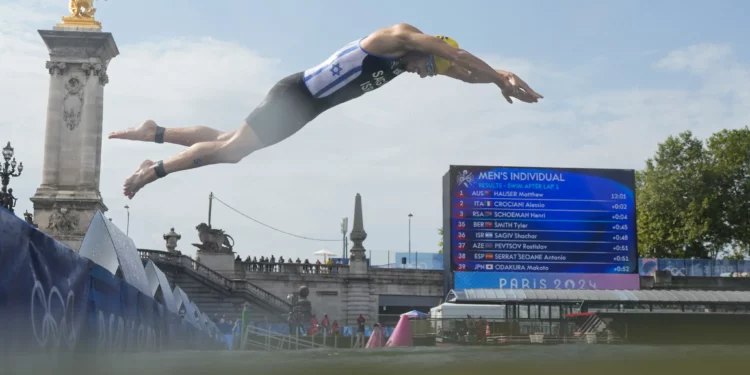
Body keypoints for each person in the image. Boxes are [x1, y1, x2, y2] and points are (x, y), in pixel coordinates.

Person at [109, 23, 543, 199]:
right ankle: (153, 170)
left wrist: (500, 78)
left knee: (225, 140)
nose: (424, 75)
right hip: (294, 97)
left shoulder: (417, 60)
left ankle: (157, 131)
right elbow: (460, 55)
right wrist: (495, 74)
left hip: (304, 108)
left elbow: (466, 70)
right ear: (423, 50)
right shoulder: (396, 38)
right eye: (428, 68)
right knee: (232, 151)